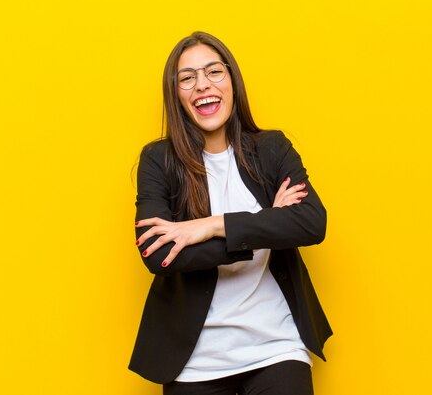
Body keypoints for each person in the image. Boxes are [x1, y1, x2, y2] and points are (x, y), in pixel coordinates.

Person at [130, 31, 332, 395]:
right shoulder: (157, 161)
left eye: (213, 72)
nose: (202, 85)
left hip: (277, 347)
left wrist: (210, 227)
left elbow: (310, 222)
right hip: (194, 362)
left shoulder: (271, 149)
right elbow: (158, 254)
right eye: (187, 78)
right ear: (175, 95)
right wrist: (264, 226)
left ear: (232, 80)